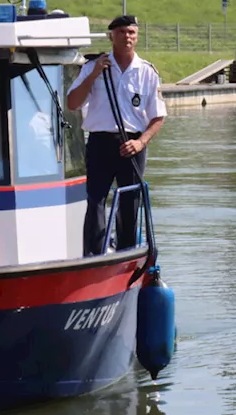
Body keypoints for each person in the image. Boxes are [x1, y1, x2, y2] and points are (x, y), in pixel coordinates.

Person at [67, 15, 167, 256]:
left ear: (137, 36)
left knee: (131, 200)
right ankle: (94, 252)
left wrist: (141, 142)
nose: (127, 37)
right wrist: (93, 76)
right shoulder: (93, 67)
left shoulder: (147, 72)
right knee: (96, 199)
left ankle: (127, 251)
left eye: (131, 32)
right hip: (101, 141)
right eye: (121, 32)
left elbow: (158, 116)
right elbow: (72, 103)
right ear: (111, 36)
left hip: (132, 143)